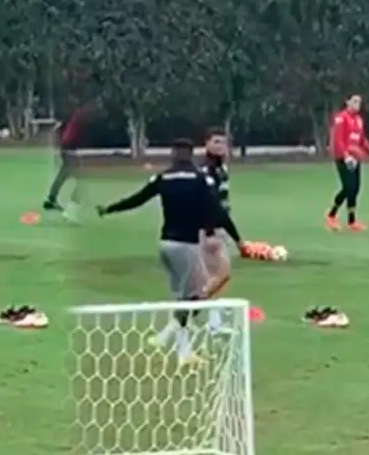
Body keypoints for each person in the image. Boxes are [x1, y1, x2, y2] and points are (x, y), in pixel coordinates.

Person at [96, 138, 243, 366]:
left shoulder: (163, 178)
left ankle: (177, 345)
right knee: (196, 298)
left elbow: (138, 199)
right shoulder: (199, 180)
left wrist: (110, 208)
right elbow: (219, 213)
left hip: (166, 245)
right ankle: (177, 347)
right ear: (192, 154)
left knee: (186, 298)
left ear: (173, 155)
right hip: (187, 246)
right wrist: (239, 239)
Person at [326, 94, 369, 231]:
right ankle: (331, 216)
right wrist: (346, 156)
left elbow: (361, 139)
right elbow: (338, 139)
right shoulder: (341, 118)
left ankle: (352, 221)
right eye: (354, 101)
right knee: (348, 187)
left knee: (355, 189)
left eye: (359, 102)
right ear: (347, 102)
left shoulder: (359, 120)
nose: (357, 104)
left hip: (355, 157)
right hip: (343, 157)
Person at [199, 128, 235, 333]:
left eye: (223, 142)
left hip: (220, 226)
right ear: (207, 144)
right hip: (209, 228)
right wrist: (209, 230)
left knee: (217, 275)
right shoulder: (205, 170)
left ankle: (214, 321)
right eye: (216, 142)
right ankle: (190, 309)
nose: (220, 146)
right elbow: (205, 203)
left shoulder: (222, 169)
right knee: (220, 274)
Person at [44, 103, 92, 221]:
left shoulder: (75, 115)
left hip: (66, 148)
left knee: (64, 173)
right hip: (71, 150)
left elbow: (58, 129)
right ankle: (70, 210)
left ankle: (51, 198)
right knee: (83, 181)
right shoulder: (83, 116)